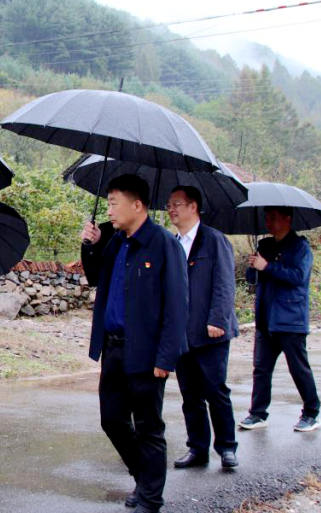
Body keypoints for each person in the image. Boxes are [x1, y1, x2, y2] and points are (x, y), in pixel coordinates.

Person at [82, 174, 188, 513]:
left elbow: (177, 304)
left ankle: (151, 499)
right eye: (109, 203)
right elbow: (95, 276)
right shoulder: (117, 241)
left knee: (148, 427)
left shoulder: (162, 244)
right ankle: (144, 479)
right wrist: (91, 245)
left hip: (146, 352)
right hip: (113, 348)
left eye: (115, 203)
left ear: (137, 205)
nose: (110, 210)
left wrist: (166, 356)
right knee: (111, 420)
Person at [166, 186, 239, 470]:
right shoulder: (173, 243)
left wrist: (217, 320)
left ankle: (227, 447)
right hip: (182, 333)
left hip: (211, 332)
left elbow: (224, 283)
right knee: (190, 395)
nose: (171, 209)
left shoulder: (214, 240)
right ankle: (197, 448)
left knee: (216, 390)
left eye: (177, 204)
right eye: (169, 204)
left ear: (193, 206)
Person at [240, 206, 321, 432]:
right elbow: (253, 279)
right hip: (266, 317)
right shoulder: (265, 245)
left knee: (298, 368)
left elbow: (298, 277)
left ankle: (312, 412)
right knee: (261, 368)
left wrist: (268, 266)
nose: (269, 222)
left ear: (287, 220)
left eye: (273, 218)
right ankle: (257, 413)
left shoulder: (300, 247)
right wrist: (253, 267)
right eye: (267, 218)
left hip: (290, 318)